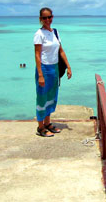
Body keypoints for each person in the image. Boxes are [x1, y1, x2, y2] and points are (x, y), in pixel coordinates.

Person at [34, 7, 72, 137]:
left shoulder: (55, 32)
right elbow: (37, 55)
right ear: (40, 19)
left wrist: (68, 66)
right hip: (44, 68)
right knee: (42, 97)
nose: (47, 20)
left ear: (52, 17)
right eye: (44, 18)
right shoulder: (39, 34)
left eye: (49, 17)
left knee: (51, 96)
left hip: (54, 68)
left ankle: (48, 123)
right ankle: (40, 127)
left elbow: (61, 51)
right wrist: (40, 75)